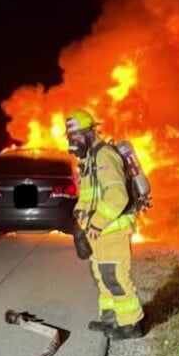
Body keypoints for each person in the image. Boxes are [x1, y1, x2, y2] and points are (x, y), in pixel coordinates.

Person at [65, 108, 145, 340]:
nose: (73, 141)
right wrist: (79, 224)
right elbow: (89, 196)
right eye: (71, 137)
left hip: (112, 229)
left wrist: (97, 223)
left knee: (115, 276)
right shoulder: (88, 159)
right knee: (101, 276)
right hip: (97, 232)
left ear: (91, 132)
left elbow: (117, 195)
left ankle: (131, 324)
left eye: (78, 135)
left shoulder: (104, 155)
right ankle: (110, 320)